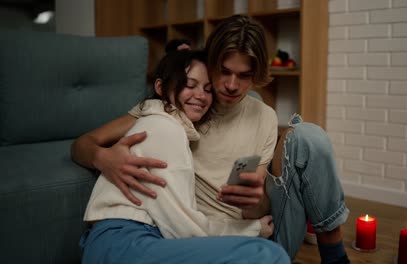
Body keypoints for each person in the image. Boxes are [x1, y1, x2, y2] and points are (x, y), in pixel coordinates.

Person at [72, 15, 350, 263]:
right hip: (194, 238)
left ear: (256, 76)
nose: (231, 85)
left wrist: (255, 201)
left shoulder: (263, 117)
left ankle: (335, 256)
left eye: (244, 76)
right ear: (210, 63)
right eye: (224, 72)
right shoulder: (174, 109)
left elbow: (259, 211)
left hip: (251, 233)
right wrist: (104, 158)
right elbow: (82, 144)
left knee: (308, 136)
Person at [79, 47, 288, 263]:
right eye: (190, 85)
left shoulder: (171, 126)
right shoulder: (164, 128)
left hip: (135, 241)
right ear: (160, 87)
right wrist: (252, 229)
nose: (201, 96)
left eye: (208, 90)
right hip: (124, 242)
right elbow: (182, 227)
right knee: (266, 254)